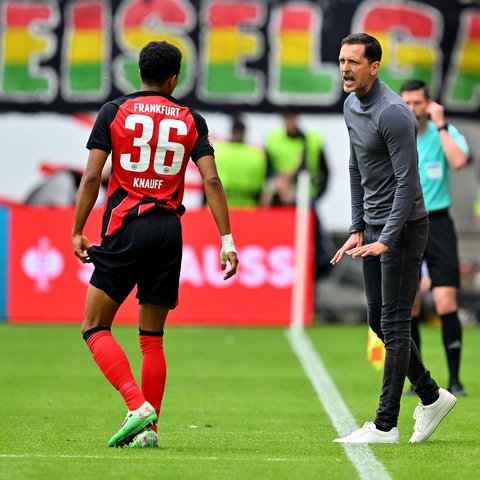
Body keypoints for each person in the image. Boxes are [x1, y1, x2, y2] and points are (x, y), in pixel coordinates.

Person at [71, 41, 239, 449]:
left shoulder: (114, 112)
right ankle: (149, 432)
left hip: (127, 226)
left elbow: (93, 177)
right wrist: (227, 239)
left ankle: (135, 405)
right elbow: (212, 181)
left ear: (139, 72)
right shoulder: (191, 119)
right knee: (152, 337)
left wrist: (77, 229)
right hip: (168, 229)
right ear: (174, 78)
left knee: (94, 326)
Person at [331, 33, 456, 444]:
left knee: (396, 321)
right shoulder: (351, 105)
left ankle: (385, 424)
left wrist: (387, 237)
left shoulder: (394, 113)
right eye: (342, 60)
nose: (345, 68)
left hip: (403, 227)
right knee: (377, 319)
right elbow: (355, 167)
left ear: (374, 67)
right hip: (373, 226)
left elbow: (407, 182)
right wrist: (357, 227)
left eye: (353, 62)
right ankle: (432, 395)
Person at [400, 80, 470, 397]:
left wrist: (441, 126)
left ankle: (454, 379)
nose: (412, 109)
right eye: (407, 103)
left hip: (438, 222)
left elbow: (458, 161)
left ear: (429, 105)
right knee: (411, 305)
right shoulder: (397, 133)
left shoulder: (444, 132)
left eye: (418, 103)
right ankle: (419, 379)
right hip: (406, 223)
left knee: (445, 302)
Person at [262, 106, 332, 278]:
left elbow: (324, 171)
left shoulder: (312, 140)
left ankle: (320, 262)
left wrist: (318, 195)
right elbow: (268, 169)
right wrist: (278, 184)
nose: (288, 122)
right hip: (279, 193)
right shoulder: (274, 138)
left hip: (305, 195)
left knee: (314, 229)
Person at [213, 114, 267, 207]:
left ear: (231, 131)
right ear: (244, 133)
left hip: (219, 207)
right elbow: (260, 189)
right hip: (248, 209)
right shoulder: (257, 154)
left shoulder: (216, 151)